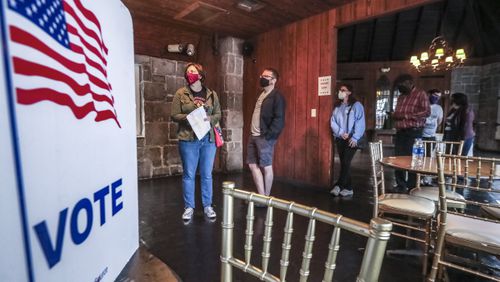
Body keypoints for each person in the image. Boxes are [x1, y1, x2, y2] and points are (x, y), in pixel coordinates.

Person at [171, 63, 221, 221]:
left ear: (200, 75)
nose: (189, 74)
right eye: (187, 72)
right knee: (189, 175)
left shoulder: (212, 94)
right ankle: (189, 207)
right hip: (188, 139)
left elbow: (218, 114)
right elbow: (174, 115)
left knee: (207, 175)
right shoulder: (181, 93)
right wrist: (189, 119)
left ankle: (207, 205)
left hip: (208, 139)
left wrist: (209, 119)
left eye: (192, 72)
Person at [247, 67, 285, 198]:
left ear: (273, 80)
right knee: (252, 164)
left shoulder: (277, 97)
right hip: (253, 135)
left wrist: (269, 136)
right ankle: (262, 196)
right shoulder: (261, 94)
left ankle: (267, 198)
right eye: (261, 75)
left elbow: (279, 120)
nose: (261, 78)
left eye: (266, 76)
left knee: (266, 166)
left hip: (265, 137)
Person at [392, 74, 430, 192]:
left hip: (413, 132)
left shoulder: (420, 94)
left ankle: (412, 186)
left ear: (409, 82)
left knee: (413, 159)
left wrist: (407, 116)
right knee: (398, 159)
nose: (400, 88)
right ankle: (400, 184)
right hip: (400, 132)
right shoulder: (401, 97)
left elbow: (426, 111)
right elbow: (399, 112)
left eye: (401, 85)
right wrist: (395, 115)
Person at [329, 83, 365, 197]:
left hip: (351, 139)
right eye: (340, 90)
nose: (341, 92)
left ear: (349, 92)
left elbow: (360, 122)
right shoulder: (337, 106)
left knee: (346, 162)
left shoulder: (356, 105)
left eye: (343, 90)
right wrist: (340, 132)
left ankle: (339, 185)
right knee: (345, 163)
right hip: (340, 138)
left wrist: (355, 137)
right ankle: (349, 188)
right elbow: (332, 121)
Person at [422, 89, 443, 186]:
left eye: (438, 96)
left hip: (431, 136)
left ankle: (426, 179)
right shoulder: (422, 105)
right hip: (420, 135)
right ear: (429, 94)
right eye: (435, 95)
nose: (436, 98)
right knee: (418, 157)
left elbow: (439, 121)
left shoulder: (439, 108)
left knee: (428, 158)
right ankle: (418, 178)